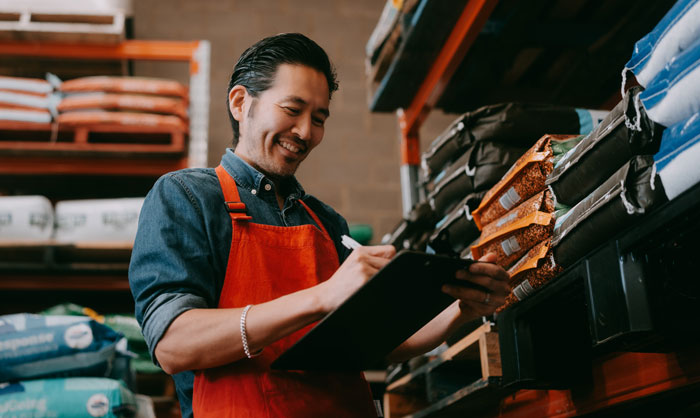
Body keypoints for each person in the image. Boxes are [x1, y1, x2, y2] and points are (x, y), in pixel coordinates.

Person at [129, 33, 510, 418]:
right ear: (241, 103)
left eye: (319, 118)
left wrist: (461, 308)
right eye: (292, 109)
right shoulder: (187, 198)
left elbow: (374, 340)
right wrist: (322, 297)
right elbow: (174, 344)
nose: (306, 132)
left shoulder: (325, 222)